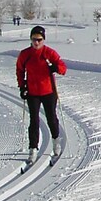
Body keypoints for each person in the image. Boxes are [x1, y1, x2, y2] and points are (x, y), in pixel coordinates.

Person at [15, 25, 67, 165]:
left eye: (39, 39)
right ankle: (33, 149)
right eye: (34, 39)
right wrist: (22, 86)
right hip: (32, 93)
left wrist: (56, 68)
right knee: (34, 121)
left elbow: (63, 68)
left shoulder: (49, 53)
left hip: (48, 91)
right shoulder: (25, 54)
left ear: (43, 39)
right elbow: (20, 70)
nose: (36, 42)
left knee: (51, 118)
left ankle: (56, 141)